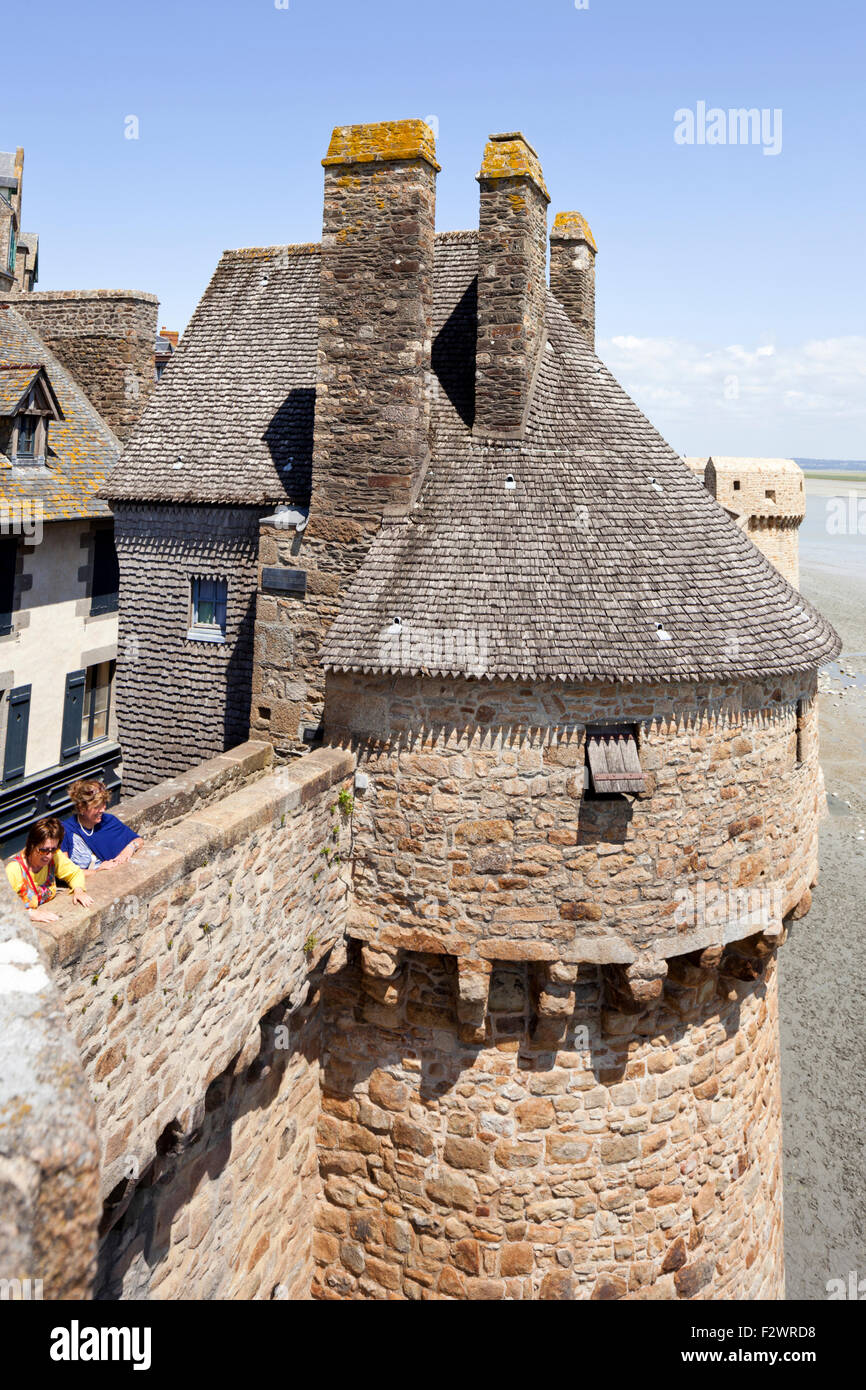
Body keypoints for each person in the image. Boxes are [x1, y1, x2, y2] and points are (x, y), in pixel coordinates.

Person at [6, 816, 94, 922]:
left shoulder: (55, 856)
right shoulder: (14, 870)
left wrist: (78, 890)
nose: (48, 855)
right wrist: (28, 914)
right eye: (43, 850)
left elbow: (75, 873)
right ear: (31, 845)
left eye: (53, 849)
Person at [60, 779, 142, 871]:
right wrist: (97, 870)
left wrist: (129, 849)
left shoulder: (109, 821)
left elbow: (138, 840)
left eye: (103, 804)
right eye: (96, 807)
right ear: (82, 808)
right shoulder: (65, 830)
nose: (103, 809)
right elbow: (64, 871)